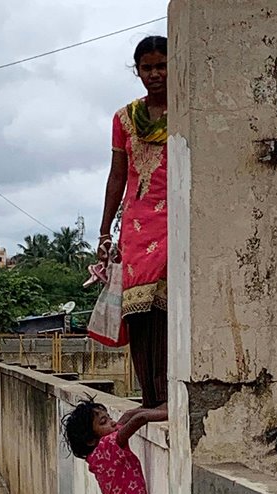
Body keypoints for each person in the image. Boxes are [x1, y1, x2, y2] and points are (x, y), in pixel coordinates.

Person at [98, 36, 168, 421]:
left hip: (175, 218)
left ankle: (167, 397)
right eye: (147, 68)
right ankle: (150, 395)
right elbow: (117, 176)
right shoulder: (124, 119)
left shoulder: (187, 111)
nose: (155, 74)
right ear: (137, 70)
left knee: (166, 308)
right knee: (138, 312)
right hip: (137, 225)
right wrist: (105, 232)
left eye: (162, 66)